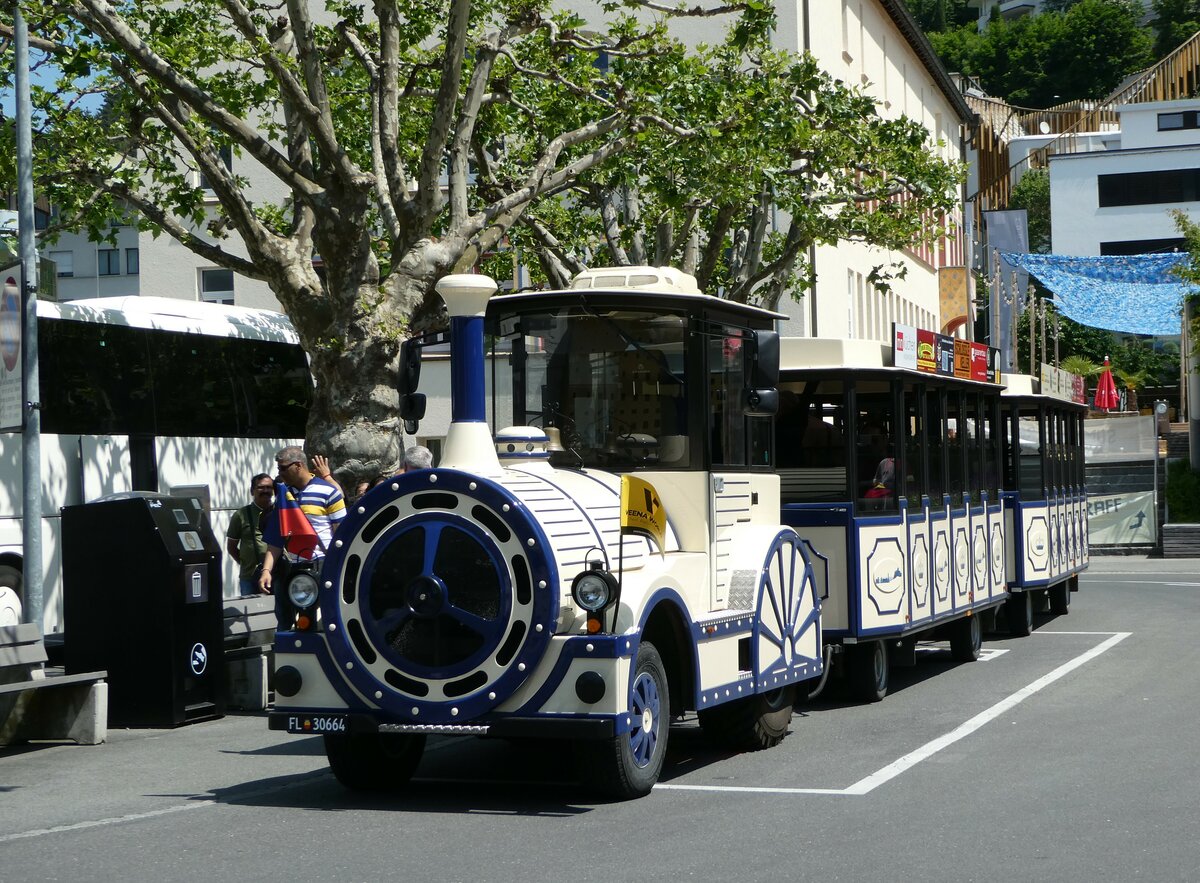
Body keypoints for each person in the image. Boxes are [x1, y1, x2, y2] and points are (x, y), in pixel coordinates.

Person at [257, 446, 347, 629]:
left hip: (322, 564)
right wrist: (266, 570)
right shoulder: (284, 496)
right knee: (291, 621)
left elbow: (342, 535)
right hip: (293, 567)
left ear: (298, 465)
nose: (279, 473)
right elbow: (276, 539)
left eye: (283, 468)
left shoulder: (329, 492)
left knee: (327, 620)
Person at [225, 473, 274, 596]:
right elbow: (231, 547)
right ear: (252, 491)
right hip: (249, 577)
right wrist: (247, 564)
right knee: (251, 607)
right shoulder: (241, 515)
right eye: (261, 487)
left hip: (277, 574)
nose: (265, 490)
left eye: (269, 487)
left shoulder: (279, 512)